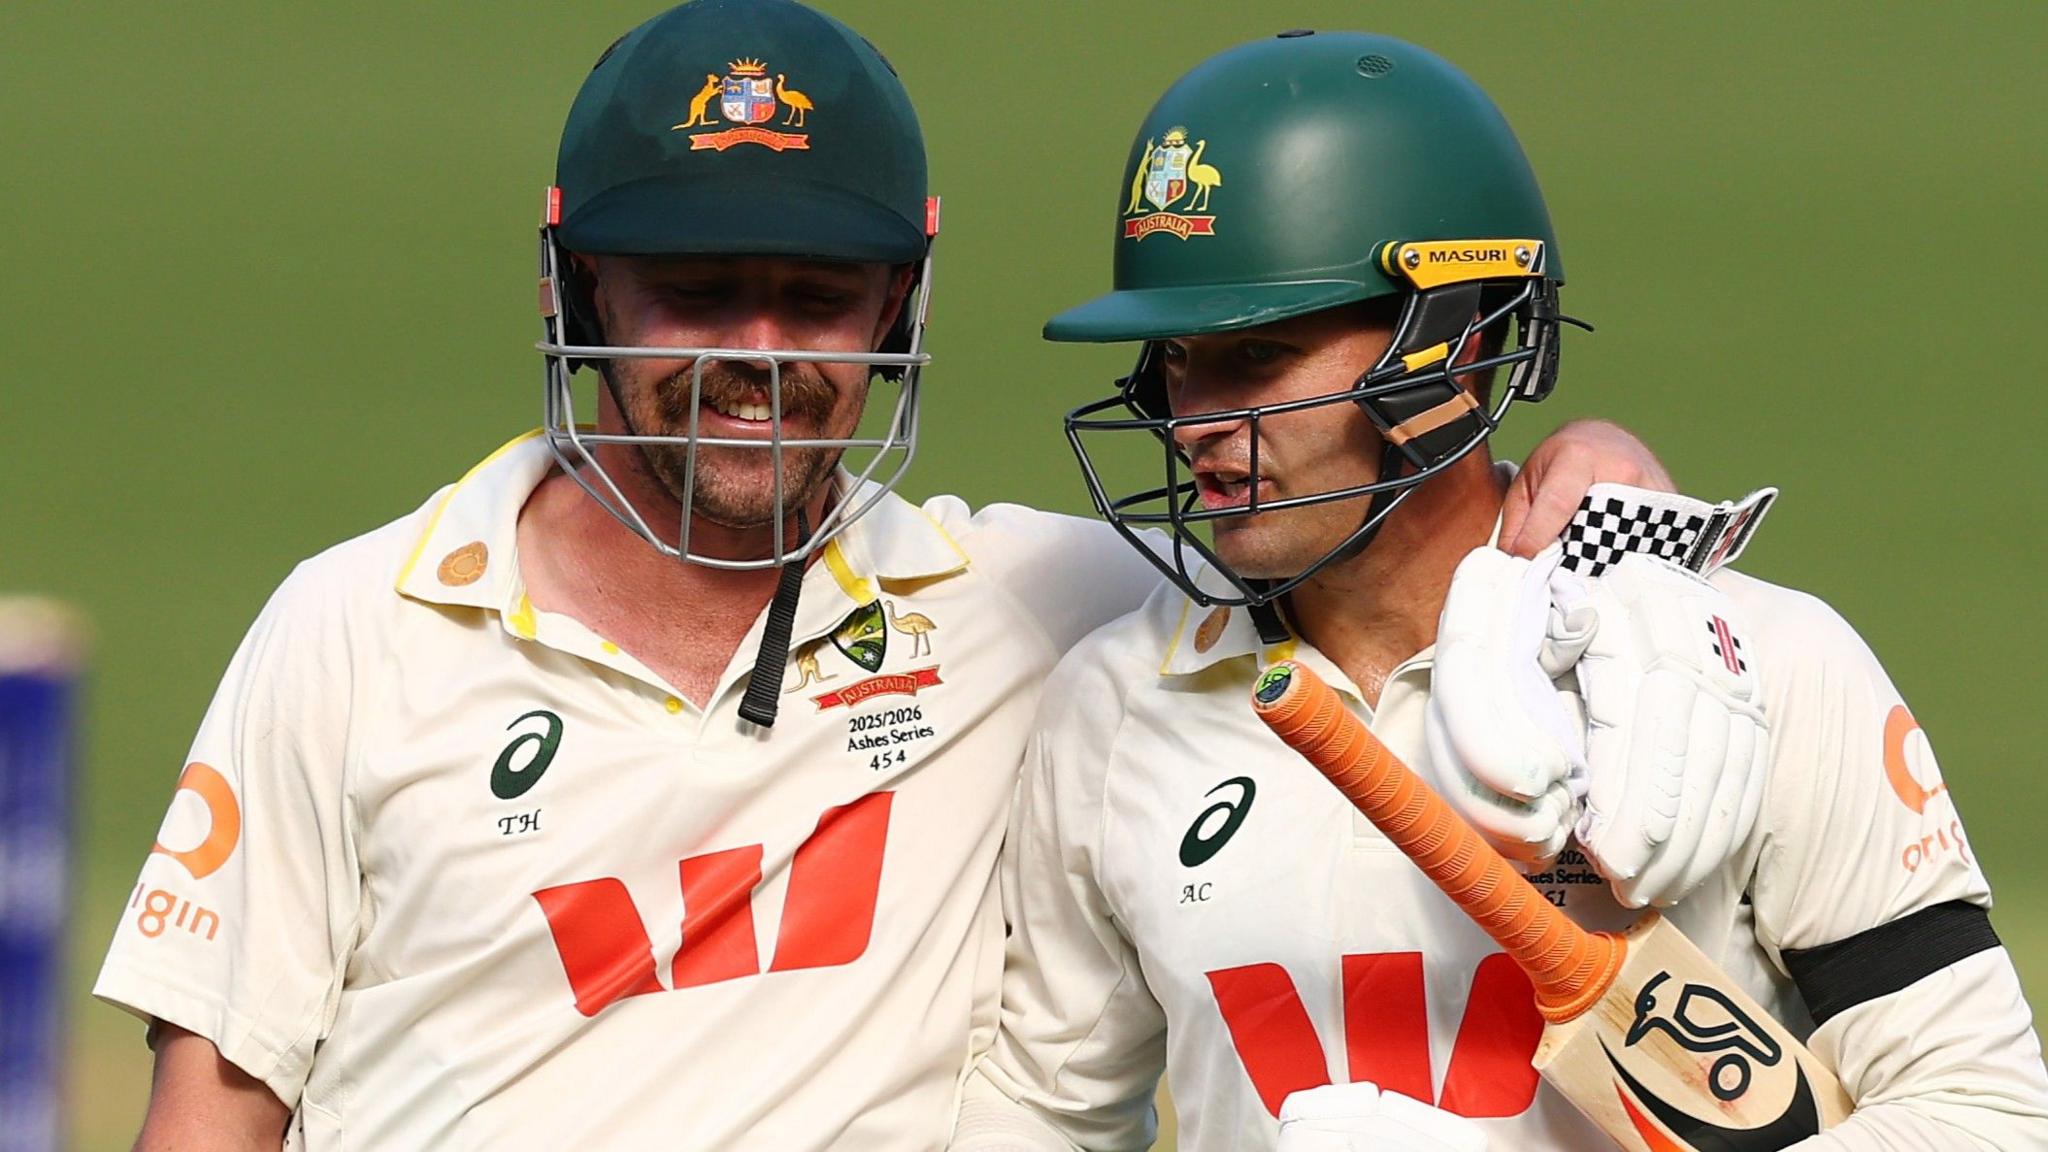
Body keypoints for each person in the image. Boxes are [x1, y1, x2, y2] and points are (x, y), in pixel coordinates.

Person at [96, 5, 1684, 1150]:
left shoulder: (1037, 611)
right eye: (695, 293)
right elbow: (213, 1107)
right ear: (581, 289)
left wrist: (1585, 463)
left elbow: (1356, 518)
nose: (758, 354)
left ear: (900, 311)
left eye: (817, 296)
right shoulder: (360, 627)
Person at [954, 29, 2048, 1152]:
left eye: (1257, 356)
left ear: (1453, 337)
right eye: (1176, 362)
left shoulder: (1765, 663)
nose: (1197, 425)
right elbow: (1043, 1117)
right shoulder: (1113, 707)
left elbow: (1981, 1112)